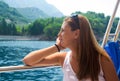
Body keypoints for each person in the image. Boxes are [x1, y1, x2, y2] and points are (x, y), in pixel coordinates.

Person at [23, 14, 119, 81]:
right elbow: (28, 60)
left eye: (63, 30)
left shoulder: (102, 60)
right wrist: (56, 47)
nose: (58, 34)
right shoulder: (63, 58)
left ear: (76, 33)